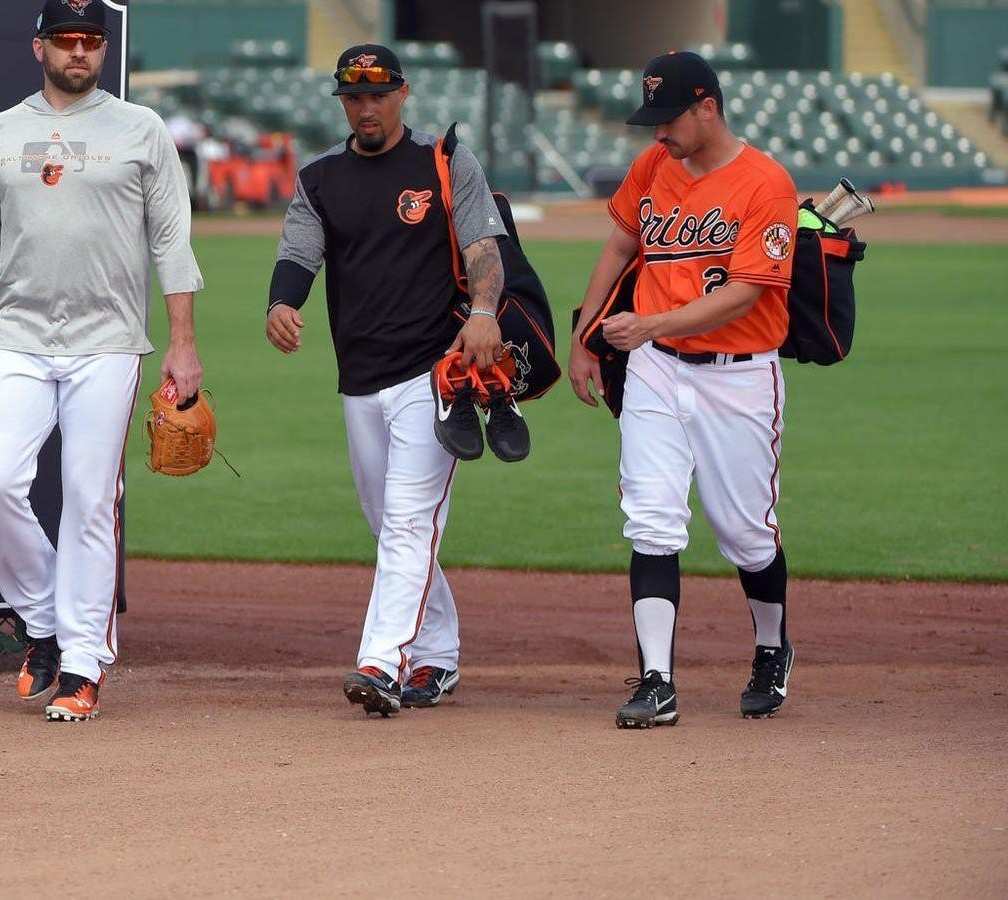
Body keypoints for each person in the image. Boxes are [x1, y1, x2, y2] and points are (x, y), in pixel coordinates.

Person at [0, 0, 204, 723]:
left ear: (102, 50)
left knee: (88, 500)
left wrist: (182, 343)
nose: (77, 51)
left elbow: (171, 243)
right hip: (14, 335)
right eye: (64, 39)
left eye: (89, 40)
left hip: (107, 341)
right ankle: (43, 621)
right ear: (38, 47)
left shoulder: (140, 130)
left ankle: (81, 664)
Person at [264, 43, 508, 717]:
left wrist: (484, 310)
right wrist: (281, 304)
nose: (365, 106)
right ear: (342, 102)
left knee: (406, 523)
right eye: (353, 96)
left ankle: (381, 662)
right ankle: (436, 655)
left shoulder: (444, 162)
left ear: (402, 94)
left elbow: (485, 249)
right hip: (358, 379)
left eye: (377, 93)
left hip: (434, 375)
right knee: (392, 525)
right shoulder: (320, 180)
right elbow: (297, 255)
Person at [566, 50, 800, 728]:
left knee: (745, 534)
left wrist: (646, 323)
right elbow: (617, 247)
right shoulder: (652, 168)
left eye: (668, 119)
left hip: (740, 375)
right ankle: (655, 681)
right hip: (655, 369)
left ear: (707, 107)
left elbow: (746, 294)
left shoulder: (765, 184)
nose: (656, 134)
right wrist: (586, 334)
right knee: (650, 518)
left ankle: (768, 646)